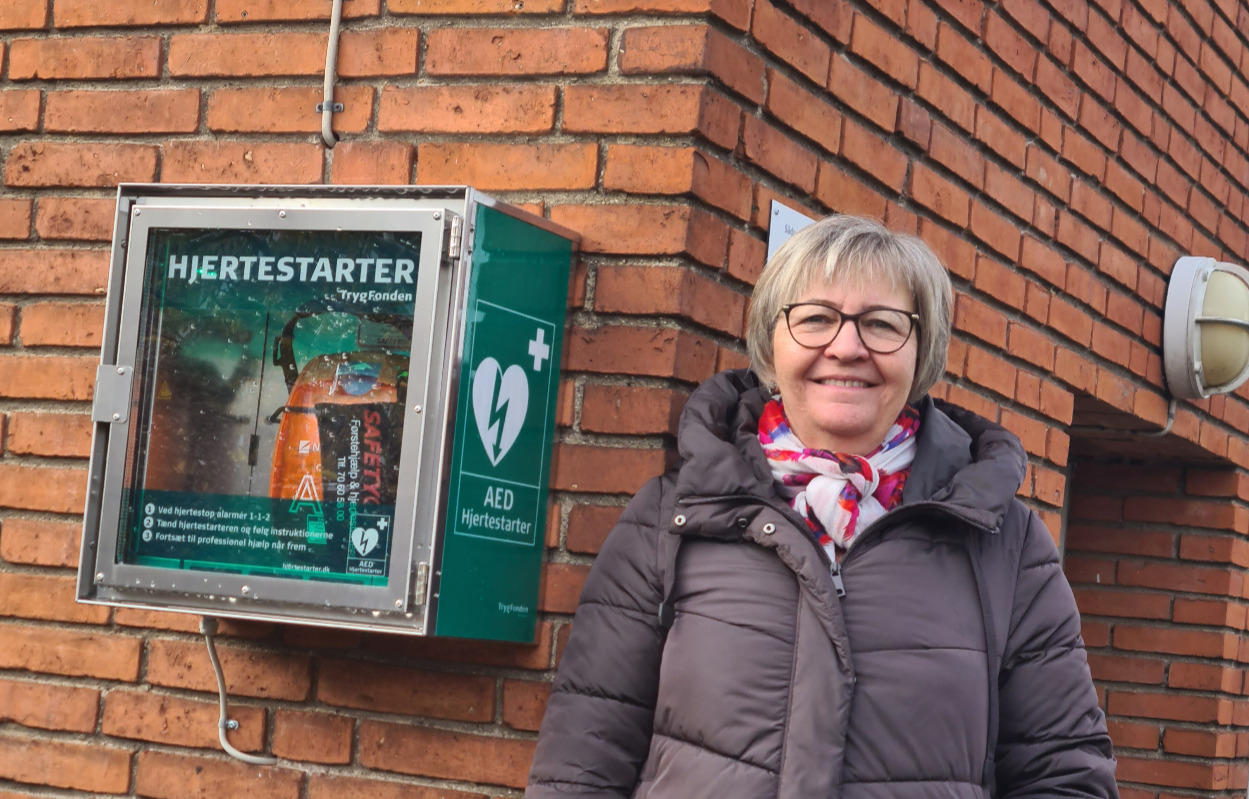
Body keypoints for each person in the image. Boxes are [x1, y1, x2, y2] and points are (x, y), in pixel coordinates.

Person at [526, 214, 1118, 799]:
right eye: (816, 319)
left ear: (921, 352)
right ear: (771, 342)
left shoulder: (1005, 544)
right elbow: (582, 763)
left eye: (882, 325)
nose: (847, 347)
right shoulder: (670, 518)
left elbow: (1064, 774)